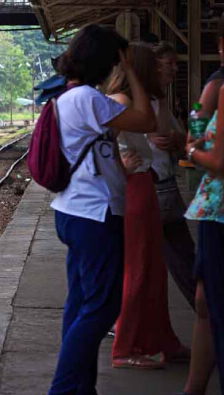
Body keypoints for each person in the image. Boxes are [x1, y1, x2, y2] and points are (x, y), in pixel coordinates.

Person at [47, 25, 156, 395]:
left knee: (80, 303)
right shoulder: (89, 100)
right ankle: (63, 390)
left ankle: (81, 388)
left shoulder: (69, 97)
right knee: (102, 307)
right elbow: (146, 119)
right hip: (94, 213)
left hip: (72, 210)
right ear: (109, 62)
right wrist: (134, 72)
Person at [106, 43, 187, 369]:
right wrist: (119, 163)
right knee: (138, 270)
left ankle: (158, 338)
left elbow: (160, 128)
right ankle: (126, 346)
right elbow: (98, 142)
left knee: (152, 272)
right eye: (155, 66)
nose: (163, 71)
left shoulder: (143, 101)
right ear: (141, 70)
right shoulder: (121, 101)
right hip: (136, 187)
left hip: (146, 185)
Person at [179, 15, 224, 395]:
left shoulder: (218, 84)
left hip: (219, 208)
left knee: (210, 298)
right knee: (205, 299)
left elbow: (197, 118)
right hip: (213, 208)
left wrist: (193, 149)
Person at [150, 42, 196, 309]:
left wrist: (178, 139)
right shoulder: (144, 99)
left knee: (180, 258)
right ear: (154, 65)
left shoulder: (160, 100)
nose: (176, 70)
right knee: (182, 258)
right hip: (155, 189)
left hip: (163, 187)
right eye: (171, 63)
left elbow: (182, 139)